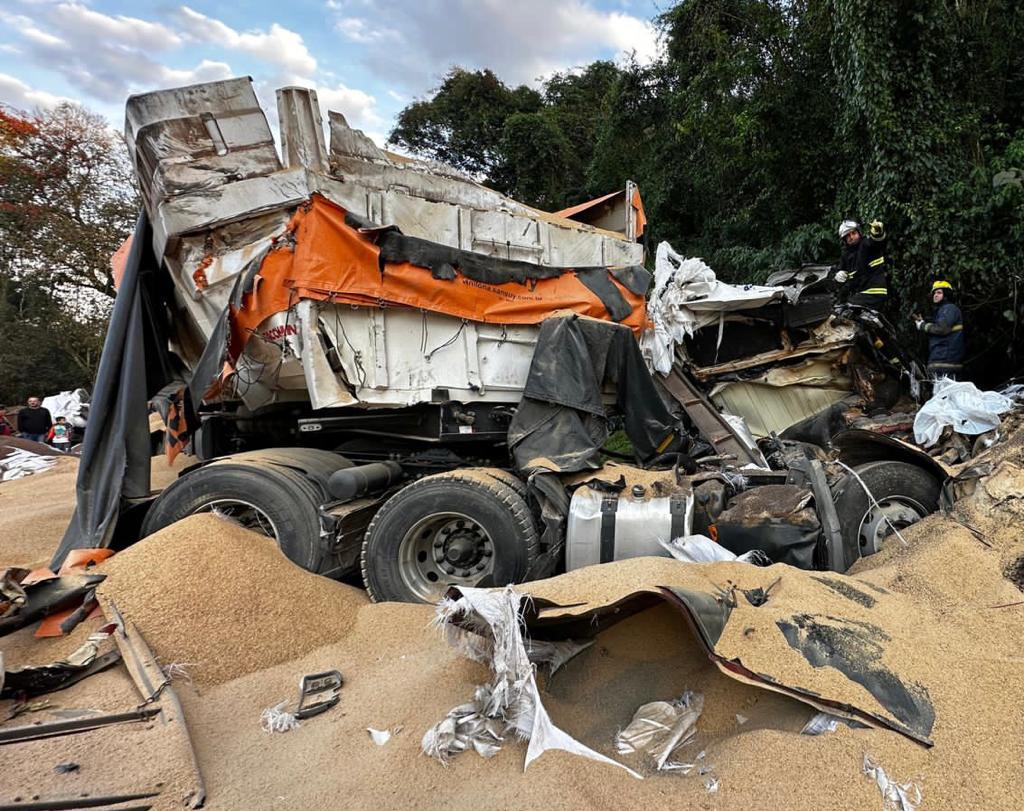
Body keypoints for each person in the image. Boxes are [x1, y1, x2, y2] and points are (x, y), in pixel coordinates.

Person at [914, 280, 965, 379]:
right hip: (941, 360)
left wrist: (923, 326)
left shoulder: (949, 308)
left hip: (945, 361)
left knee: (944, 393)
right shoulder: (942, 311)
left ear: (946, 295)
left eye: (939, 292)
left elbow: (942, 329)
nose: (935, 295)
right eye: (934, 293)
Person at [834, 219, 889, 309]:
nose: (851, 237)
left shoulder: (866, 244)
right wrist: (838, 275)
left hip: (874, 291)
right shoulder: (846, 256)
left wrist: (878, 231)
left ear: (859, 232)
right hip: (861, 293)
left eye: (853, 233)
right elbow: (840, 275)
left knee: (848, 309)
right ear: (844, 240)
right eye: (847, 236)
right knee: (841, 308)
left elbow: (877, 241)